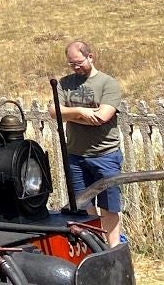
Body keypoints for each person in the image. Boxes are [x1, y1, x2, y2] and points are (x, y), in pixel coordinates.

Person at [49, 40, 125, 245]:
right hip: (75, 156)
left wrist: (69, 115)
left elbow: (102, 117)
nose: (76, 67)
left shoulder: (108, 83)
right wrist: (81, 112)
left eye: (79, 62)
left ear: (90, 57)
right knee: (83, 207)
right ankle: (95, 246)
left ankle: (113, 248)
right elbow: (54, 111)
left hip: (105, 155)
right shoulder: (64, 83)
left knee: (109, 207)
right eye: (71, 64)